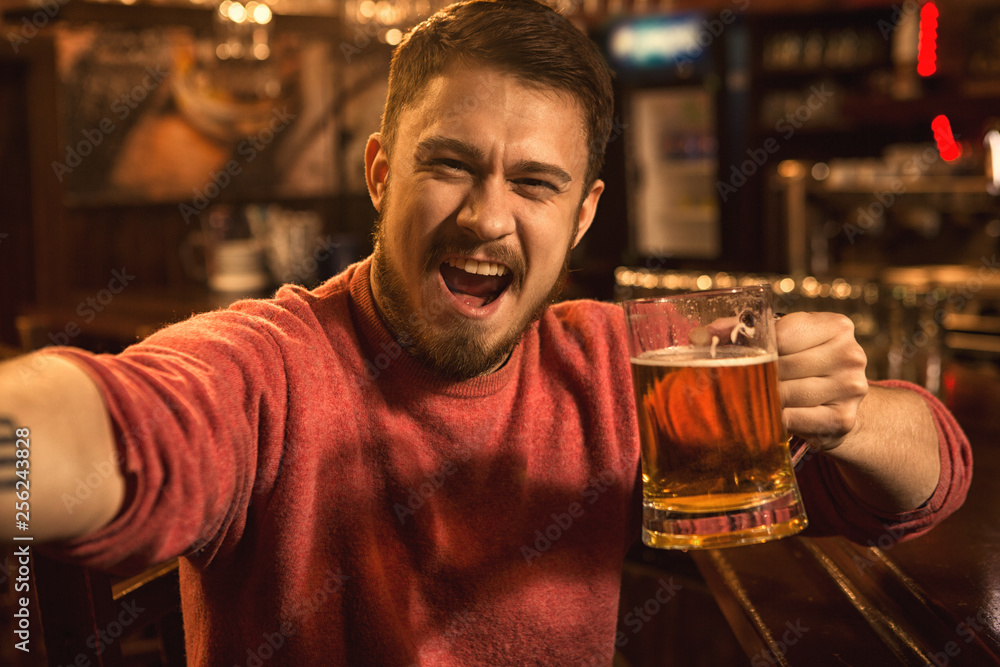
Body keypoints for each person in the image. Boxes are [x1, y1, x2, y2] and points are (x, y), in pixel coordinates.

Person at [0, 0, 971, 664]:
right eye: (451, 165)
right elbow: (94, 424)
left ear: (583, 216)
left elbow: (930, 480)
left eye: (534, 182)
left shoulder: (617, 362)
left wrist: (849, 412)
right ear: (380, 174)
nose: (487, 217)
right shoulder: (271, 365)